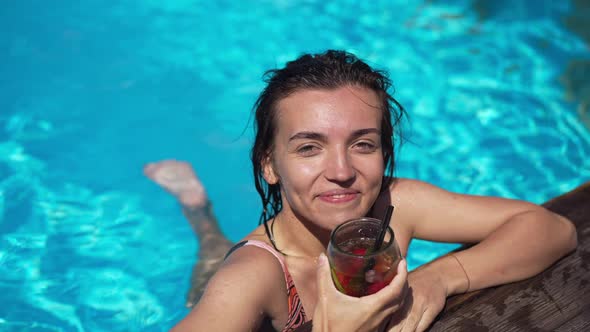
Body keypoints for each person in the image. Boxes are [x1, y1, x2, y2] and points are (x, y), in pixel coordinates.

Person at [145, 50, 577, 331]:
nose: (341, 171)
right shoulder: (253, 278)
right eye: (309, 147)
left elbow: (552, 228)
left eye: (362, 144)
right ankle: (198, 211)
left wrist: (439, 278)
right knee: (208, 270)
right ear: (270, 166)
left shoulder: (394, 204)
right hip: (248, 265)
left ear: (385, 154)